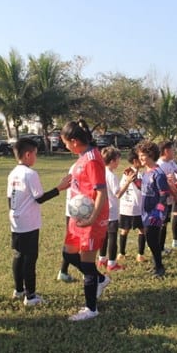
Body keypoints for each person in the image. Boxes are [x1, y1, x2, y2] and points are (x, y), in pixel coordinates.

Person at [8, 137, 71, 306]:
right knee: (30, 259)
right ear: (28, 154)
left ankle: (19, 290)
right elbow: (40, 198)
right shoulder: (30, 174)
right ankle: (31, 296)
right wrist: (60, 187)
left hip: (16, 221)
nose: (36, 157)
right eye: (35, 154)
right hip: (29, 223)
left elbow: (10, 199)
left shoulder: (13, 172)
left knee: (19, 256)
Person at [60, 120, 111, 321]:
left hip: (92, 219)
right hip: (78, 218)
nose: (64, 146)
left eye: (65, 142)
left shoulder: (92, 159)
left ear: (74, 141)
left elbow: (101, 192)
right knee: (68, 253)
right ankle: (100, 279)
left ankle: (91, 309)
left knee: (87, 263)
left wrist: (92, 218)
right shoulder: (83, 156)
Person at [136, 140, 171, 277]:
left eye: (143, 155)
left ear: (151, 155)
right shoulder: (146, 173)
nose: (140, 158)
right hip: (145, 212)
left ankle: (160, 267)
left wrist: (158, 212)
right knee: (150, 240)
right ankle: (156, 265)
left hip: (155, 213)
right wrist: (134, 181)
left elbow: (164, 194)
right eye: (139, 156)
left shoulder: (158, 173)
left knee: (151, 239)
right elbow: (144, 188)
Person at [117, 149, 146, 263]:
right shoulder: (131, 173)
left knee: (125, 230)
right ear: (135, 161)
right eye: (140, 158)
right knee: (142, 230)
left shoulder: (131, 172)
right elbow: (140, 187)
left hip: (127, 206)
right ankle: (140, 254)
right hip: (134, 207)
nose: (143, 160)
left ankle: (121, 253)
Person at [97, 146, 123, 272]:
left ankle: (102, 259)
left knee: (104, 236)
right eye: (118, 160)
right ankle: (112, 263)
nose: (119, 162)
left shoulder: (101, 172)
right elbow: (118, 193)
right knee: (112, 237)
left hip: (102, 210)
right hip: (111, 210)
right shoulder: (111, 175)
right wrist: (128, 182)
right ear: (112, 161)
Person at [156, 140, 177, 253]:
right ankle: (159, 248)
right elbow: (164, 185)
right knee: (161, 223)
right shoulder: (160, 165)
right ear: (166, 151)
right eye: (173, 150)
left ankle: (161, 247)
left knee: (164, 223)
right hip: (161, 201)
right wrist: (175, 194)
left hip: (169, 199)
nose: (174, 152)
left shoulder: (170, 162)